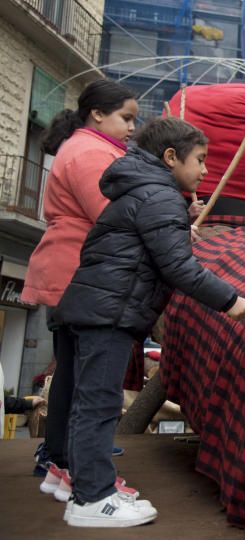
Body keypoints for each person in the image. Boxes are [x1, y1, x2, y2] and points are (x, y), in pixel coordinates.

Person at [52, 117, 245, 527]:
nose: (204, 171)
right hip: (109, 313)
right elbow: (179, 267)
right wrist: (229, 299)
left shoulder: (143, 192)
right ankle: (93, 498)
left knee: (85, 400)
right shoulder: (159, 198)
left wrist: (180, 217)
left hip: (91, 308)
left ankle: (79, 483)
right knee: (100, 403)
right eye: (199, 160)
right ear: (170, 157)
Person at [22, 80, 138, 484]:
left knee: (72, 371)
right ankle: (75, 466)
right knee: (85, 376)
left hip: (73, 267)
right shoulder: (90, 152)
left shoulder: (87, 148)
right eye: (126, 118)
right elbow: (110, 213)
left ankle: (59, 457)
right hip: (80, 269)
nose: (131, 128)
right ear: (97, 114)